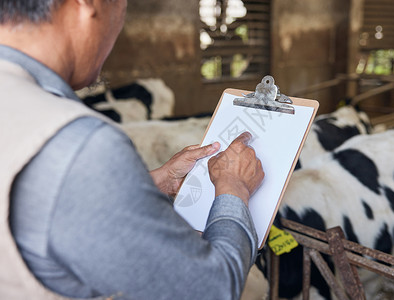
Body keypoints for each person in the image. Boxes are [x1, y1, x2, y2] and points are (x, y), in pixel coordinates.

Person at [0, 1, 265, 299]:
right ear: (88, 6)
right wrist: (233, 186)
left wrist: (151, 183)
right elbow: (209, 290)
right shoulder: (79, 142)